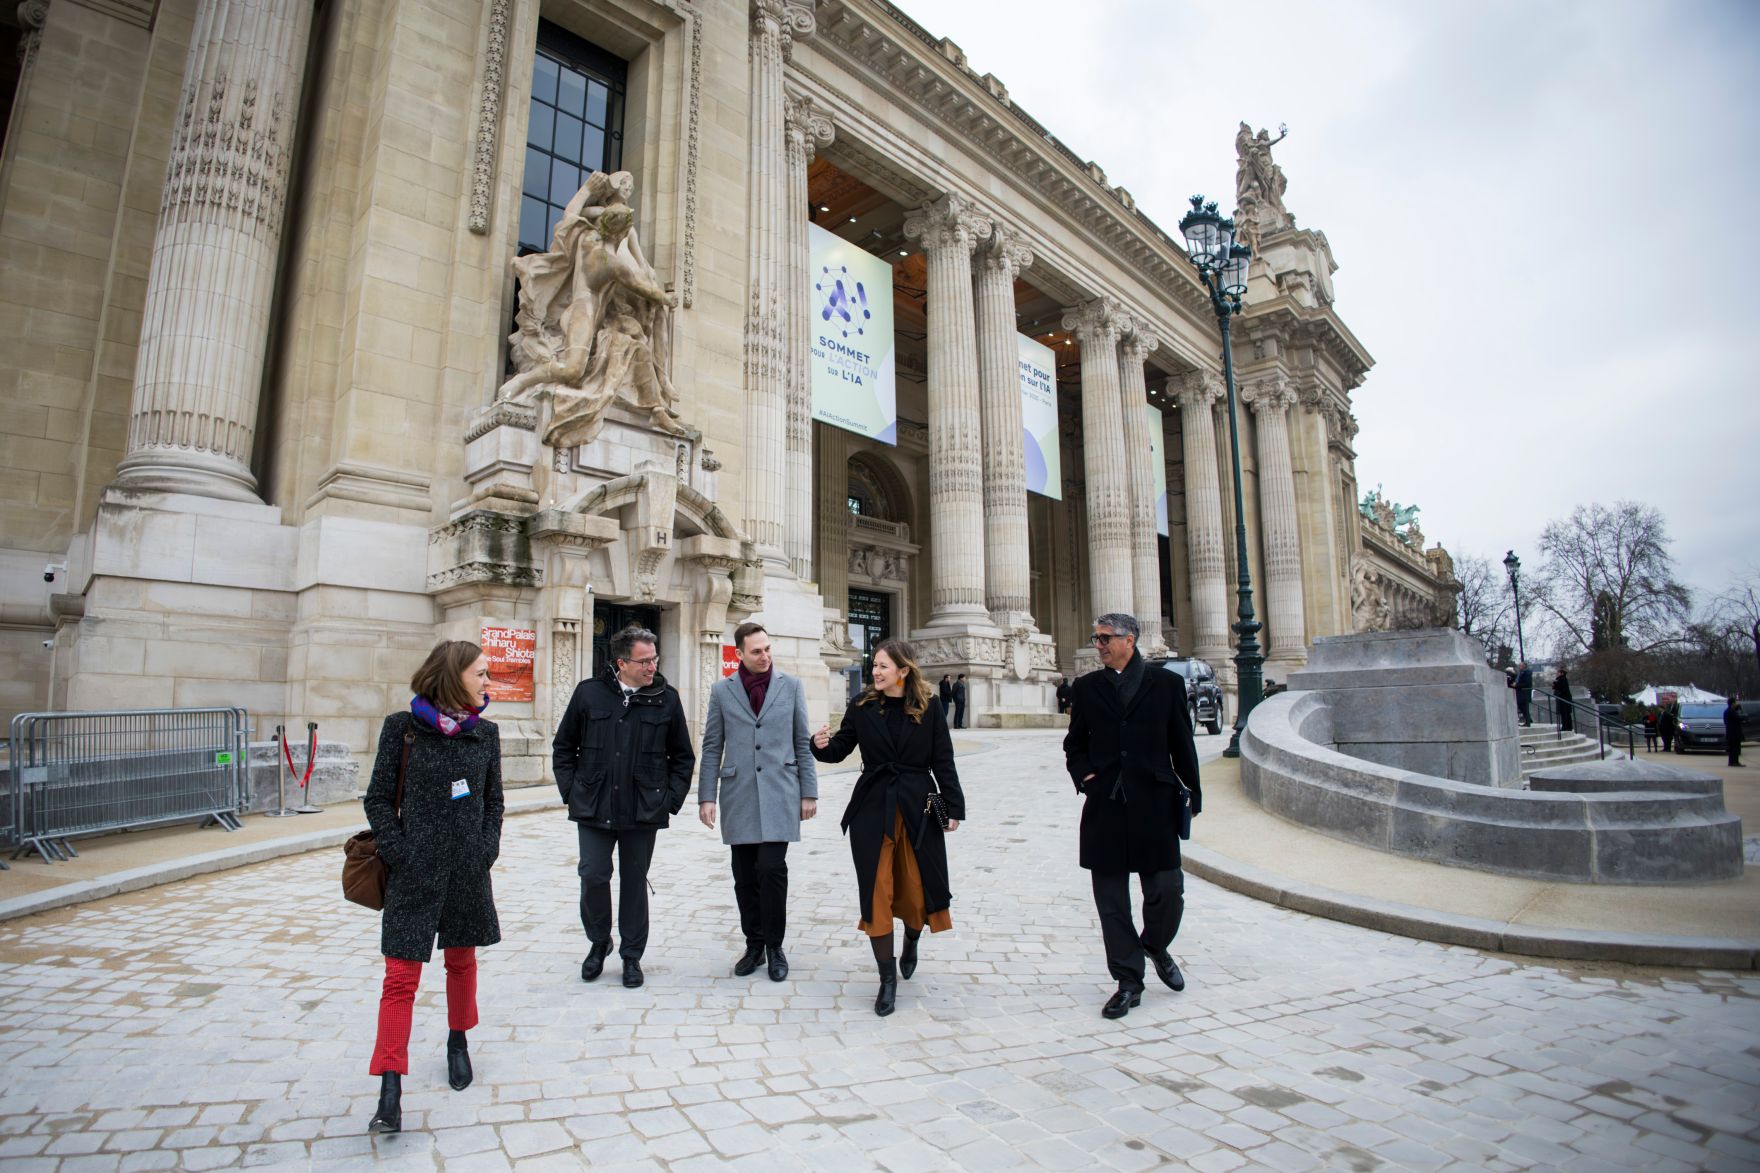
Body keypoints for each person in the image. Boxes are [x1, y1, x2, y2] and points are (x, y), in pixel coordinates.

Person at [362, 641, 505, 1134]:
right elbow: (378, 798)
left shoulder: (486, 734)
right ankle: (390, 1086)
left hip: (467, 869)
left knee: (461, 961)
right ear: (452, 675)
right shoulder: (401, 730)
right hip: (413, 871)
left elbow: (494, 803)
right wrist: (399, 853)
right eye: (482, 674)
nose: (489, 683)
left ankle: (458, 1040)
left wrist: (485, 849)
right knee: (400, 977)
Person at [811, 638, 964, 1017]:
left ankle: (912, 940)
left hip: (918, 806)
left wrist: (953, 808)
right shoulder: (862, 706)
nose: (875, 671)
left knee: (915, 891)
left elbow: (943, 760)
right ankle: (887, 980)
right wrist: (819, 745)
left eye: (882, 666)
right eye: (874, 665)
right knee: (876, 892)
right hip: (873, 807)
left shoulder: (928, 709)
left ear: (903, 670)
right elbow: (840, 749)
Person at [1064, 612, 1202, 1021]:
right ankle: (1128, 981)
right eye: (1096, 638)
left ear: (1130, 640)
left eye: (1106, 637)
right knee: (1111, 903)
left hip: (1154, 802)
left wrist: (1193, 791)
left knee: (1166, 890)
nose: (1099, 644)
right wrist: (1085, 776)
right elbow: (1075, 745)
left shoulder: (1168, 685)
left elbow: (1182, 742)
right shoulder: (1087, 688)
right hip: (1105, 803)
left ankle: (1156, 945)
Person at [552, 625, 694, 989]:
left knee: (634, 884)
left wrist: (669, 801)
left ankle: (632, 956)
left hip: (642, 810)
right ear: (621, 663)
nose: (652, 667)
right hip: (594, 807)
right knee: (593, 875)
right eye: (644, 661)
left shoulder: (667, 698)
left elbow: (682, 757)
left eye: (654, 659)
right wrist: (573, 792)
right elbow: (564, 747)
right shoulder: (589, 694)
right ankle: (599, 942)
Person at [697, 622, 818, 981]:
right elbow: (711, 747)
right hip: (740, 795)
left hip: (781, 792)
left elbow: (802, 741)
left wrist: (809, 791)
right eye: (756, 651)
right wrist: (707, 797)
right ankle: (754, 945)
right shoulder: (722, 691)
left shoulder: (791, 687)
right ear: (740, 654)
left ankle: (775, 946)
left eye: (767, 649)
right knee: (744, 875)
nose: (764, 656)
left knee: (771, 869)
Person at [1507, 662, 1533, 727]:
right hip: (1520, 692)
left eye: (1520, 666)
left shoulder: (1526, 673)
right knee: (1522, 707)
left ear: (1524, 666)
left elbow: (1526, 684)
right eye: (1519, 666)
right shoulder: (1520, 673)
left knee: (1524, 707)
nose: (1519, 667)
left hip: (1524, 693)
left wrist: (1516, 685)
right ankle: (1528, 719)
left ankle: (1528, 720)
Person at [1552, 668, 1575, 733]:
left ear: (1562, 673)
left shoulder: (1561, 679)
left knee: (1565, 714)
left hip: (1564, 700)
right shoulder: (1562, 679)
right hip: (1565, 699)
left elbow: (1558, 688)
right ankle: (1568, 727)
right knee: (1566, 714)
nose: (1557, 674)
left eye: (1558, 673)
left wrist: (1555, 684)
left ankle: (1566, 727)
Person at [1725, 695, 1744, 767]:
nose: (1736, 704)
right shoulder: (1731, 712)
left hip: (1730, 733)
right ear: (1733, 703)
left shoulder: (1727, 711)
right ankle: (1735, 762)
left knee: (1732, 748)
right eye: (1735, 703)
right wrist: (1740, 710)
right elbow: (1739, 718)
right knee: (1735, 748)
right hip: (1734, 733)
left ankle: (1731, 762)